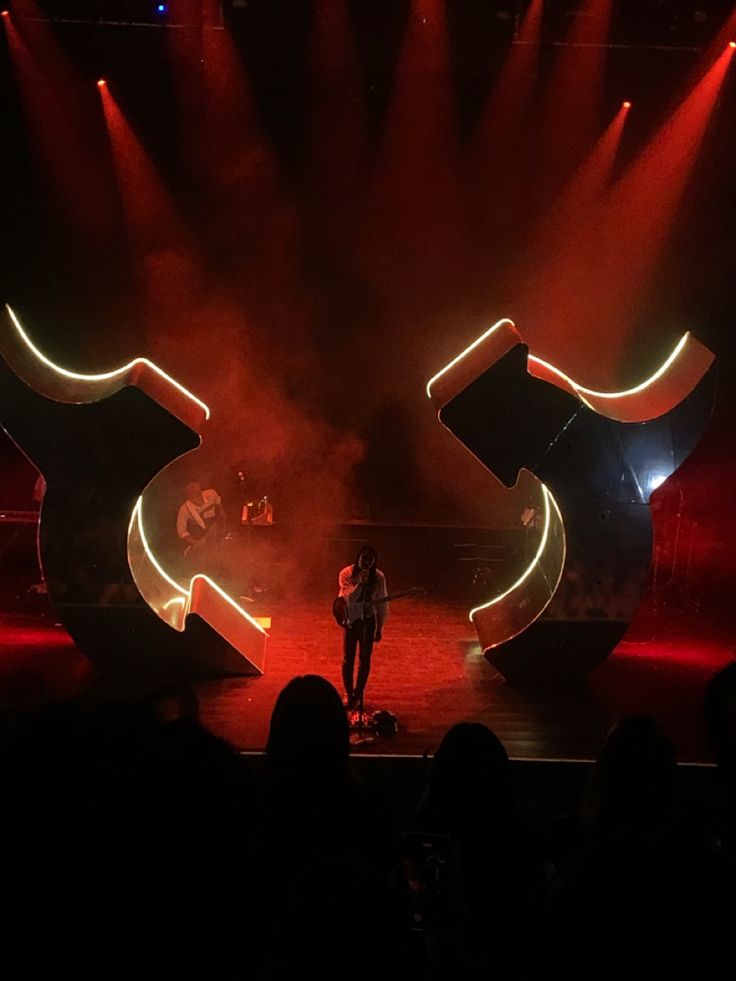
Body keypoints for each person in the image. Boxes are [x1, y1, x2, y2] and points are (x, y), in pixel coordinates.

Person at [337, 544, 388, 710]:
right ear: (358, 558)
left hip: (367, 620)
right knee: (348, 658)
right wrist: (360, 583)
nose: (366, 563)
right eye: (363, 559)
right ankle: (348, 692)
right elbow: (348, 599)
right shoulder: (346, 574)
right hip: (351, 620)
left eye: (370, 560)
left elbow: (382, 603)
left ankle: (358, 694)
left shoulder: (379, 577)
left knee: (365, 660)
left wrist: (380, 626)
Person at [176, 481, 226, 558]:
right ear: (189, 497)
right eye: (194, 498)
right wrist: (196, 543)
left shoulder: (211, 493)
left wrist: (222, 513)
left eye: (198, 496)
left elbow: (218, 502)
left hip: (217, 527)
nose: (198, 500)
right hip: (200, 534)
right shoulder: (184, 510)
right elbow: (182, 532)